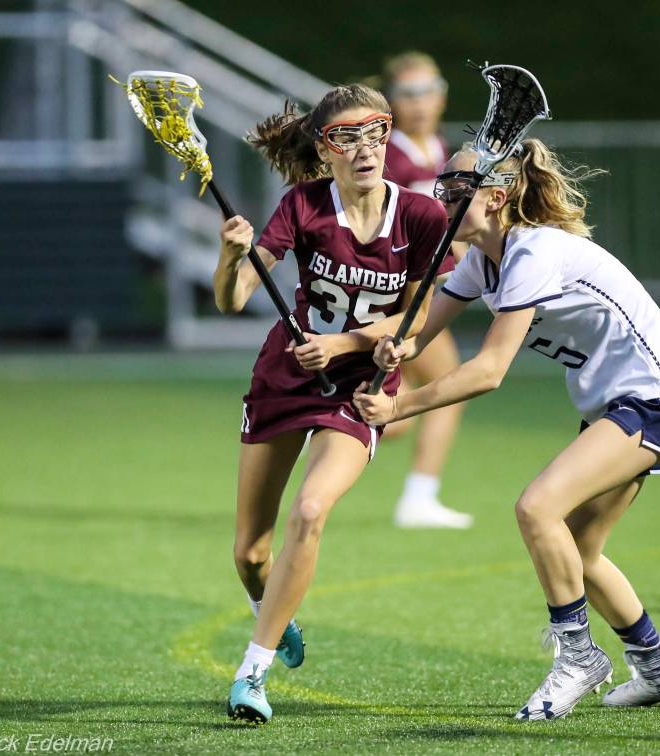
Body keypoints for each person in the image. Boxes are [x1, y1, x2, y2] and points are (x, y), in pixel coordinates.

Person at [354, 139, 660, 719]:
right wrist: (397, 345)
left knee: (537, 508)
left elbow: (489, 371)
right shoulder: (481, 259)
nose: (442, 199)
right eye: (441, 187)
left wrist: (398, 407)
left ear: (496, 198)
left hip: (659, 398)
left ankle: (578, 658)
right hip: (614, 404)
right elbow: (422, 328)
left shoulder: (531, 254)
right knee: (580, 550)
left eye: (457, 190)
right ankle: (658, 667)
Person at [217, 84, 447, 724]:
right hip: (283, 380)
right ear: (326, 148)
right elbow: (233, 298)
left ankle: (252, 673)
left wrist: (344, 343)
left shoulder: (423, 217)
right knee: (249, 554)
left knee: (312, 509)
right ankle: (275, 612)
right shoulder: (303, 204)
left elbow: (418, 315)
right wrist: (230, 254)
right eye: (348, 136)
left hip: (359, 389)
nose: (368, 147)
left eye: (377, 131)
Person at [378, 51, 471, 529]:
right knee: (446, 386)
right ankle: (418, 497)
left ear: (442, 93)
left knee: (399, 415)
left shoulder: (437, 147)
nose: (419, 102)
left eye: (427, 89)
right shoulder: (387, 156)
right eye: (407, 94)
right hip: (399, 294)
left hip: (422, 290)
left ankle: (323, 421)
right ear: (391, 102)